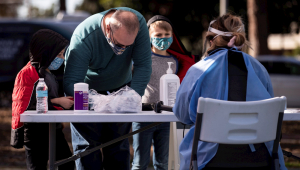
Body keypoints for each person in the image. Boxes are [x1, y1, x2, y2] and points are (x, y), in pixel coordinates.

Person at [173, 13, 287, 170]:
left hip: (210, 160)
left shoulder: (198, 70)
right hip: (259, 158)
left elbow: (182, 115)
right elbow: (270, 113)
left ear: (211, 40)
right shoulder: (259, 68)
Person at [63, 7, 152, 170]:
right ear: (108, 28)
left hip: (121, 89)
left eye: (128, 46)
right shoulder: (84, 36)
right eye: (119, 44)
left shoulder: (138, 24)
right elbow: (71, 82)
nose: (122, 50)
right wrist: (96, 102)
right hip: (87, 92)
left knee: (118, 149)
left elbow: (144, 65)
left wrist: (132, 97)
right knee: (87, 150)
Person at [131, 15, 195, 170]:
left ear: (173, 37)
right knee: (140, 163)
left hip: (166, 118)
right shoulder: (141, 59)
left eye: (167, 35)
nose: (163, 38)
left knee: (163, 163)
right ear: (149, 37)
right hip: (143, 115)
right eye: (158, 35)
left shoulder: (174, 61)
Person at [10, 29, 75, 170]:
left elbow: (46, 97)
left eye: (63, 54)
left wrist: (60, 102)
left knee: (67, 164)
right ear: (46, 52)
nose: (62, 58)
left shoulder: (48, 73)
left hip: (53, 129)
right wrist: (58, 102)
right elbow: (27, 105)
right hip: (35, 132)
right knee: (37, 167)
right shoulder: (27, 74)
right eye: (58, 54)